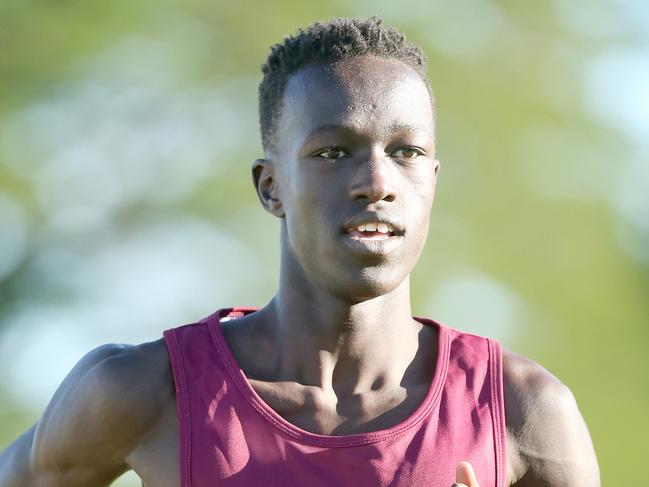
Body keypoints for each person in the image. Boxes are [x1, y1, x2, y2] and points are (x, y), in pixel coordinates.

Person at [0, 17, 599, 487]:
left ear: (433, 179)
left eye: (407, 152)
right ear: (271, 187)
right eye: (333, 152)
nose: (377, 181)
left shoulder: (521, 413)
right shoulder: (144, 391)